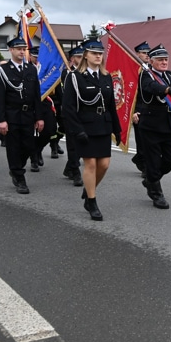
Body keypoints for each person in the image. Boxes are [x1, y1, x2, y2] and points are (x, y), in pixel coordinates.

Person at [62, 39, 121, 221]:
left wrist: (117, 130)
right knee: (91, 164)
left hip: (103, 124)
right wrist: (77, 130)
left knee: (104, 165)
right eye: (94, 53)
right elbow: (68, 107)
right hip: (85, 126)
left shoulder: (106, 77)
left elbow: (111, 105)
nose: (98, 56)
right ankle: (92, 201)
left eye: (100, 53)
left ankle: (89, 189)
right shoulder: (74, 77)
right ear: (85, 55)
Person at [135, 43, 171, 209]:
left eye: (166, 59)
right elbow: (151, 88)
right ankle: (156, 193)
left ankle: (151, 180)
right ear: (151, 61)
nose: (164, 62)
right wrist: (167, 89)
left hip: (168, 124)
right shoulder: (146, 75)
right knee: (152, 161)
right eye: (160, 59)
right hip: (150, 124)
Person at [0, 37, 45, 194]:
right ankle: (19, 176)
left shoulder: (31, 69)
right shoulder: (3, 70)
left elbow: (36, 95)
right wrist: (1, 120)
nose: (22, 51)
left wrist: (39, 116)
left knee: (29, 146)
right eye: (19, 49)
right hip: (12, 114)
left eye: (24, 49)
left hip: (28, 114)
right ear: (11, 50)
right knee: (14, 147)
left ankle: (16, 167)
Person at [60, 45, 85, 187]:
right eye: (78, 57)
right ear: (72, 59)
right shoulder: (67, 74)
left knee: (82, 143)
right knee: (73, 144)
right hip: (70, 113)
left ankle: (69, 167)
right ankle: (75, 171)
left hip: (84, 114)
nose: (81, 59)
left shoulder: (86, 73)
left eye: (83, 57)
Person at [130, 41, 151, 176]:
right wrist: (135, 110)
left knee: (150, 139)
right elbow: (133, 93)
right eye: (144, 53)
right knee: (141, 139)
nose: (147, 55)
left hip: (151, 109)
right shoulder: (133, 69)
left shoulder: (151, 69)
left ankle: (140, 159)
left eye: (148, 53)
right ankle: (143, 165)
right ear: (137, 54)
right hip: (139, 109)